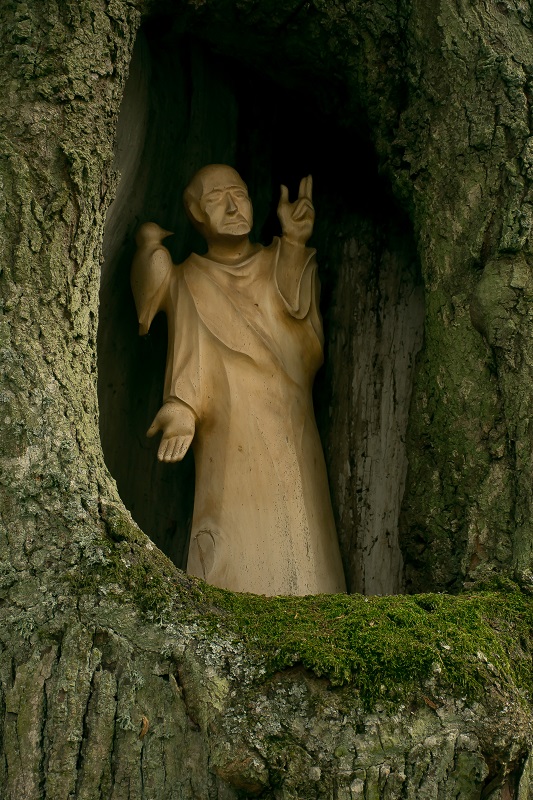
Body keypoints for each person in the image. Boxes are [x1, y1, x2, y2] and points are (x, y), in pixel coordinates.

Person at [131, 165, 346, 595]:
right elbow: (189, 348)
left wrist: (295, 242)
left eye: (239, 194)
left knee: (304, 534)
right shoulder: (189, 278)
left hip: (291, 424)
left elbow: (302, 342)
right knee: (230, 533)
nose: (233, 207)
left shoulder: (275, 260)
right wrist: (181, 406)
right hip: (230, 429)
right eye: (216, 198)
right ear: (196, 213)